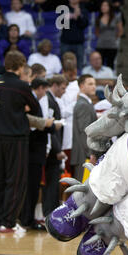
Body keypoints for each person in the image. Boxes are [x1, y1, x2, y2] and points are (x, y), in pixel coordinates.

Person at [0, 50, 40, 233]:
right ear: (20, 66)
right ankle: (8, 222)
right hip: (17, 138)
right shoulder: (22, 86)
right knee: (16, 181)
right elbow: (35, 108)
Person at [20, 77, 60, 231]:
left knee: (35, 186)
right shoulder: (31, 101)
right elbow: (32, 125)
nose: (45, 92)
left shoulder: (35, 101)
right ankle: (26, 219)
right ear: (40, 88)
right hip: (33, 149)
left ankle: (29, 218)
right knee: (31, 186)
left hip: (38, 149)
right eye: (44, 89)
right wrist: (49, 125)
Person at [42, 74, 68, 218]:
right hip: (52, 149)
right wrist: (57, 149)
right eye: (63, 88)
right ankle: (49, 212)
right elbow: (51, 128)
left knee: (53, 182)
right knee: (51, 182)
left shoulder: (52, 100)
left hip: (54, 147)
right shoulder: (50, 101)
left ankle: (50, 211)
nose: (64, 91)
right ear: (55, 85)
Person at [70, 74, 97, 181]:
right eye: (90, 84)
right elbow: (84, 132)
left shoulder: (85, 103)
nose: (94, 87)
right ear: (81, 86)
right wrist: (90, 154)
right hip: (84, 156)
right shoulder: (83, 105)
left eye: (94, 84)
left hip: (84, 154)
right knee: (83, 192)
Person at [60, 58, 79, 175]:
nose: (70, 73)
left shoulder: (77, 87)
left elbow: (64, 111)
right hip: (62, 128)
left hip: (71, 131)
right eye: (67, 71)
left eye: (71, 71)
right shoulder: (61, 86)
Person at [60, 0, 89, 71]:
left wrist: (79, 16)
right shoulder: (64, 9)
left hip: (79, 43)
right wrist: (72, 16)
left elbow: (84, 25)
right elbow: (61, 23)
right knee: (65, 64)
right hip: (66, 42)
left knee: (79, 65)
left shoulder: (83, 10)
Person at [95, 0, 124, 69]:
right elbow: (96, 32)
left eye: (105, 6)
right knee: (99, 65)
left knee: (110, 65)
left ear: (109, 7)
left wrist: (114, 38)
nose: (103, 7)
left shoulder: (116, 17)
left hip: (112, 45)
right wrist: (102, 38)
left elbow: (120, 30)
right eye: (102, 6)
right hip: (101, 45)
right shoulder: (98, 18)